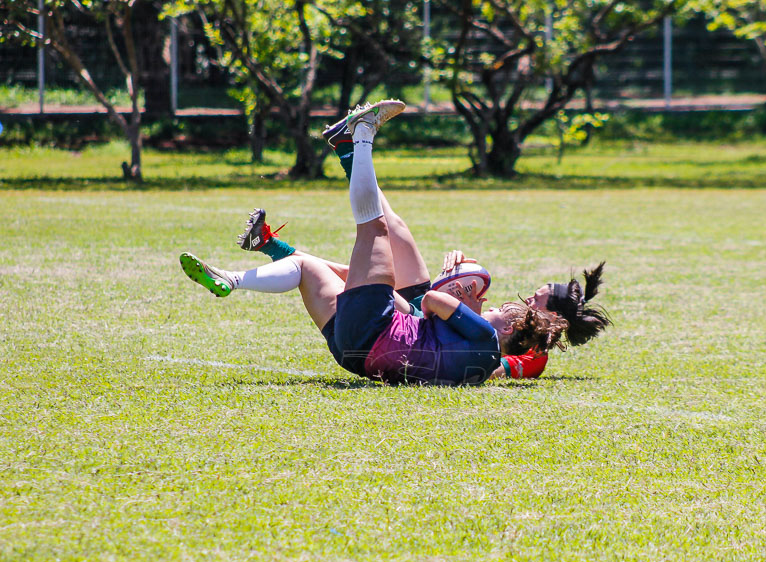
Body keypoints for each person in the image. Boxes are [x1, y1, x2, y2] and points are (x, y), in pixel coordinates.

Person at [179, 100, 568, 385]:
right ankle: (232, 278)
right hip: (355, 356)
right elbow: (424, 332)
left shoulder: (487, 337)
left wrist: (453, 293)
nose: (488, 305)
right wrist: (433, 307)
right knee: (309, 269)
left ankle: (361, 134)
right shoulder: (480, 371)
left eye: (498, 310)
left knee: (376, 228)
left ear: (508, 331)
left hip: (380, 328)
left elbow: (429, 302)